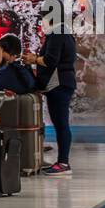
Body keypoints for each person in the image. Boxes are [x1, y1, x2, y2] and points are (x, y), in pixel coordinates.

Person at [25, 18, 77, 176]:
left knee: (61, 123)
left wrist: (33, 59)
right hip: (63, 83)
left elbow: (50, 60)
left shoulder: (56, 32)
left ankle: (63, 162)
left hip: (58, 84)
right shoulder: (65, 32)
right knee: (61, 123)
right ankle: (62, 161)